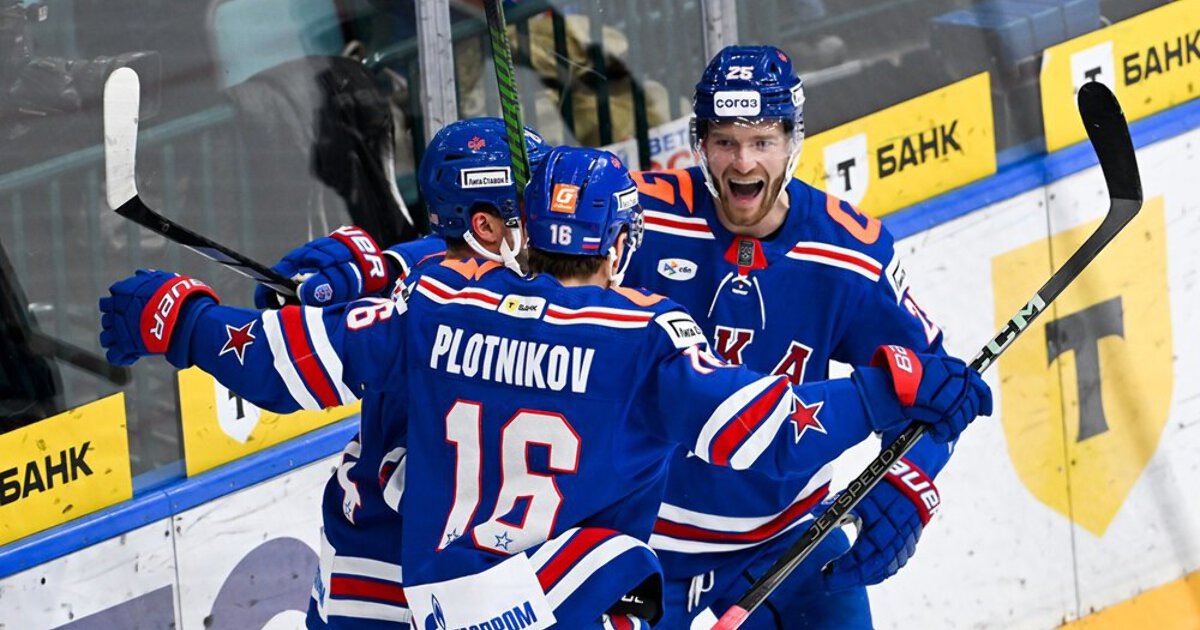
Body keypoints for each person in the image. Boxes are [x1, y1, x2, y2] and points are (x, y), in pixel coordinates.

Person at [99, 146, 990, 628]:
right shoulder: (642, 335)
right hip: (547, 603)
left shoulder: (435, 308)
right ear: (621, 246)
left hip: (416, 600)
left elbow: (279, 363)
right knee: (627, 570)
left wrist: (182, 320)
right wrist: (892, 389)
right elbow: (766, 431)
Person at [620, 45, 967, 628]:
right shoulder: (636, 220)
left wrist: (910, 481)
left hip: (789, 543)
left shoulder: (848, 252)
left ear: (793, 140)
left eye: (762, 141)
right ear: (699, 142)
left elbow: (937, 387)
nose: (743, 163)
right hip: (641, 547)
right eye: (725, 141)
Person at [253, 116, 551, 629]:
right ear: (485, 225)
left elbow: (456, 257)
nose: (550, 217)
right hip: (381, 555)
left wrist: (386, 264)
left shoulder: (466, 286)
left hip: (460, 558)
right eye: (529, 205)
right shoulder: (449, 311)